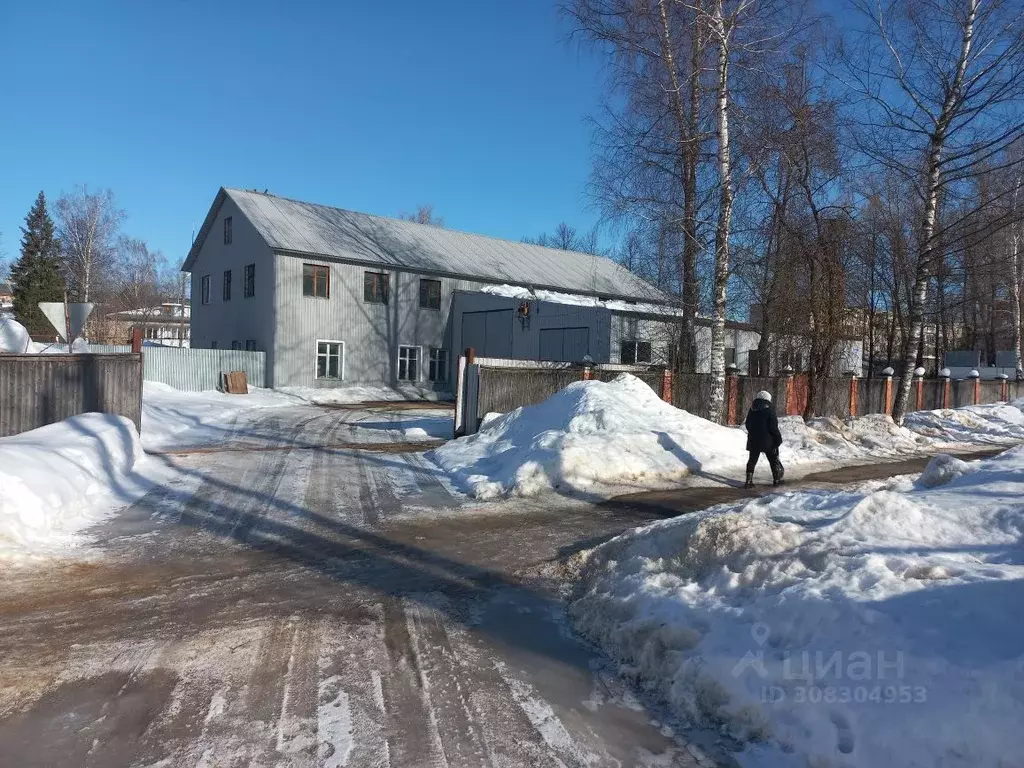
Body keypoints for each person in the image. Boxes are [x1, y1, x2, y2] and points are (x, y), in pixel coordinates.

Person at [744, 390, 784, 488]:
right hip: (768, 441)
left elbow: (747, 423)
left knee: (752, 460)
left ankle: (748, 481)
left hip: (754, 440)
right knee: (773, 460)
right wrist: (778, 438)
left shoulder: (752, 408)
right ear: (768, 399)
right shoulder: (770, 409)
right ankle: (776, 480)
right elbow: (773, 426)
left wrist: (753, 432)